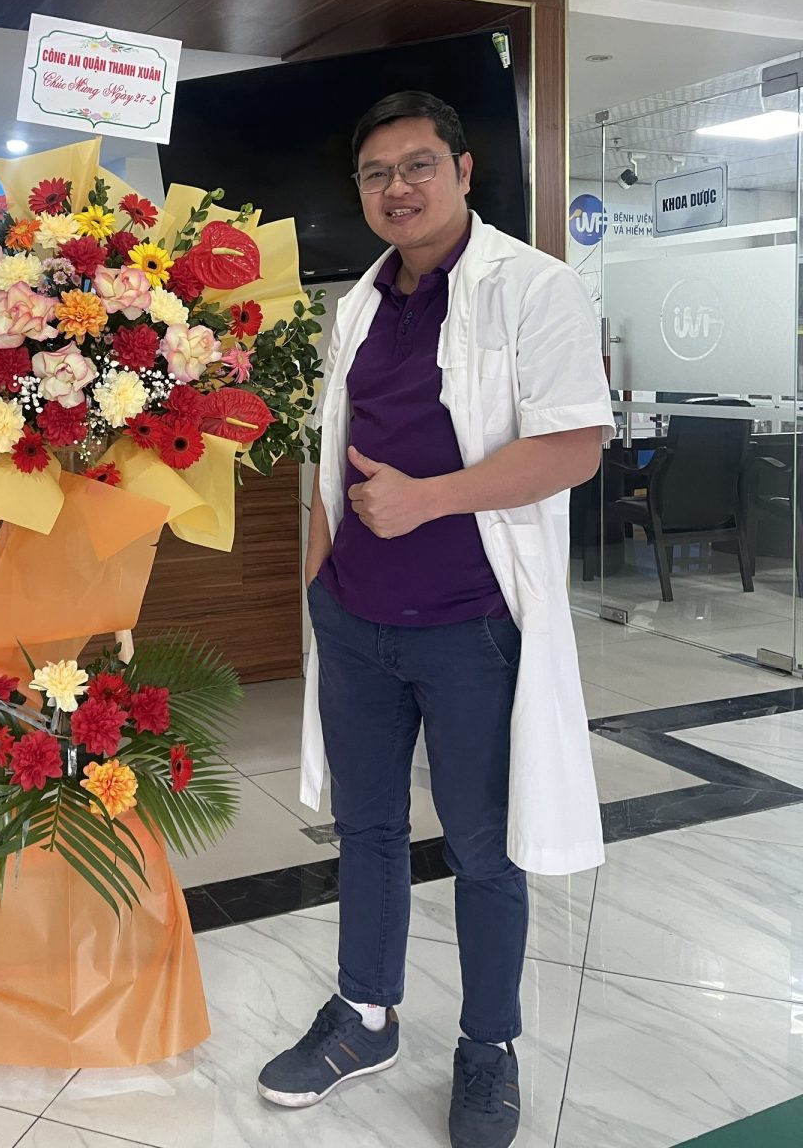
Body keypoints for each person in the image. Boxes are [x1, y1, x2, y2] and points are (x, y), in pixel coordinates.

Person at [258, 92, 614, 1147]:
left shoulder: (536, 288)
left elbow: (574, 447)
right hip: (357, 620)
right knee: (366, 829)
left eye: (418, 165)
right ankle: (364, 1016)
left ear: (463, 171)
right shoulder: (359, 303)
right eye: (376, 174)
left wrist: (429, 500)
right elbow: (336, 446)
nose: (397, 188)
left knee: (483, 845)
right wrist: (319, 576)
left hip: (472, 625)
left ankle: (488, 1046)